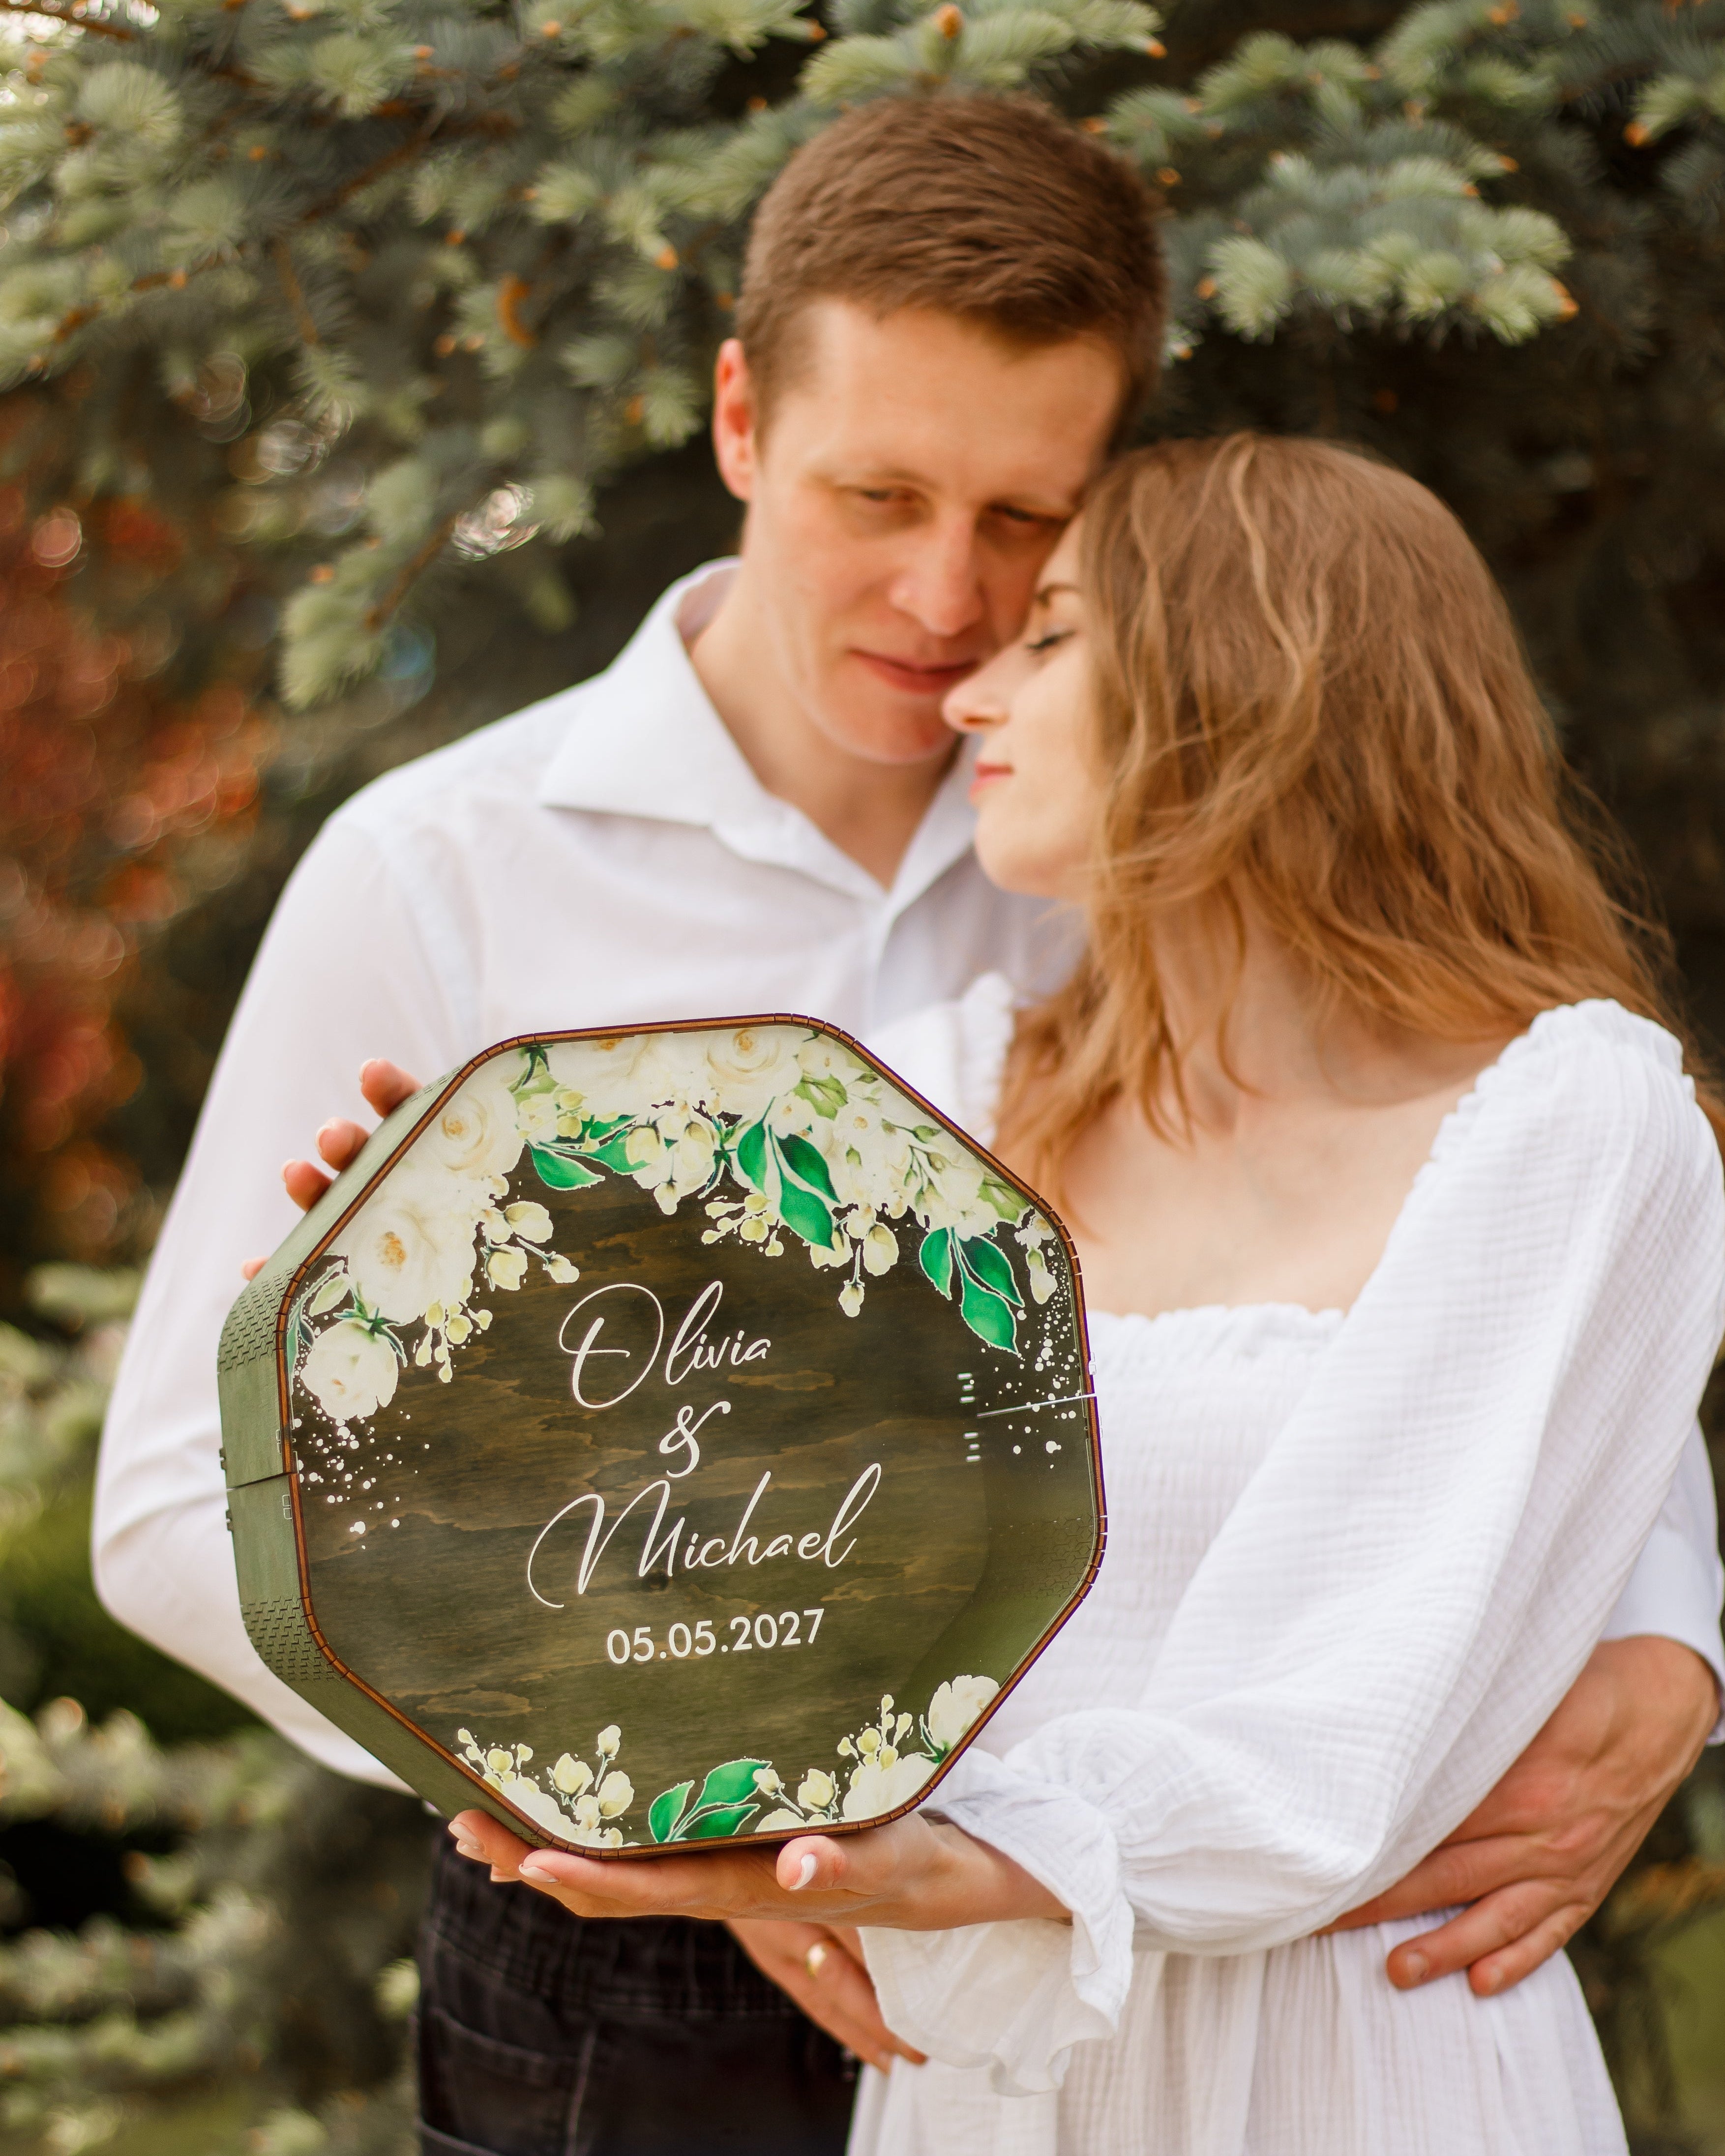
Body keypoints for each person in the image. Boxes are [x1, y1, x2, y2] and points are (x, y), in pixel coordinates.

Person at [91, 85, 1719, 2150]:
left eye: (1025, 527)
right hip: (625, 1953)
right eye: (876, 494)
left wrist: (1668, 1633)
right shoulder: (447, 867)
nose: (947, 605)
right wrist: (664, 1761)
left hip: (1140, 1934)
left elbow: (1482, 1297)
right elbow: (169, 1502)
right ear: (741, 424)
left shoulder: (1159, 845)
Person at [444, 433, 1725, 2155]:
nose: (974, 691)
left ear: (1248, 679)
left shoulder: (1569, 1122)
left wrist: (987, 1852)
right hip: (982, 2068)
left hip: (1363, 2052)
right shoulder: (934, 1109)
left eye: (1050, 634)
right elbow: (667, 1493)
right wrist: (423, 1243)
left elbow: (1358, 1698)